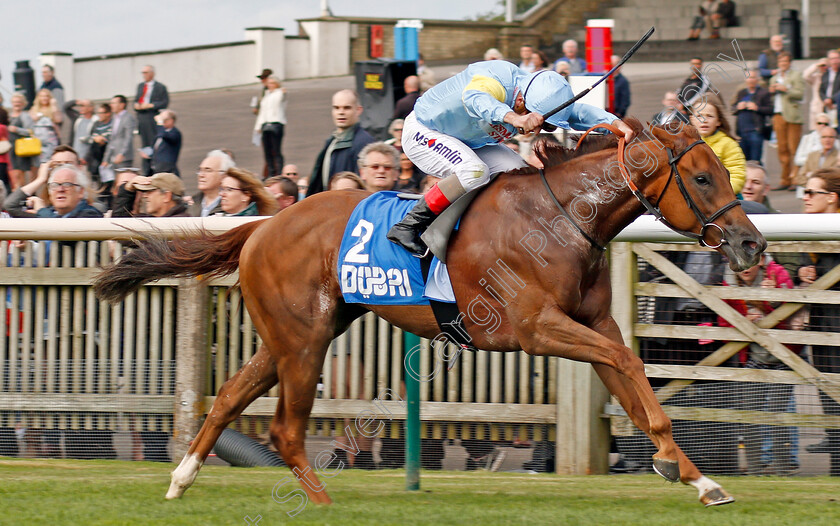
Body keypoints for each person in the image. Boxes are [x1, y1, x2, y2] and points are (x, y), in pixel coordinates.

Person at [386, 61, 633, 255]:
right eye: (537, 120)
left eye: (544, 126)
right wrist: (515, 118)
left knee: (521, 173)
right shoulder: (496, 77)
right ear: (520, 100)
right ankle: (409, 226)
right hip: (423, 131)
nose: (536, 130)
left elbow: (578, 112)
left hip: (466, 141)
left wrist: (614, 123)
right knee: (474, 172)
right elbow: (476, 98)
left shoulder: (536, 96)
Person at [718, 250, 800, 475]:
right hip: (754, 357)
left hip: (784, 356)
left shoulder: (778, 274)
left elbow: (793, 312)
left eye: (749, 262)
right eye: (738, 262)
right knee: (750, 414)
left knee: (777, 413)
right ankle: (754, 469)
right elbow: (724, 324)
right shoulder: (728, 284)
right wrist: (743, 323)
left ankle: (783, 469)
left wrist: (770, 301)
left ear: (761, 261)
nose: (744, 268)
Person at [798, 168, 840, 474]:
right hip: (821, 321)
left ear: (832, 198)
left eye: (812, 193)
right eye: (805, 192)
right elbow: (799, 260)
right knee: (825, 384)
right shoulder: (805, 228)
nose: (806, 198)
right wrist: (803, 270)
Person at [306, 90, 376, 195]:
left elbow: (364, 185)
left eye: (347, 108)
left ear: (358, 110)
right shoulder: (332, 140)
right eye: (336, 108)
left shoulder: (364, 142)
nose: (341, 112)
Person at [688, 95, 746, 193]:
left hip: (724, 199)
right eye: (699, 116)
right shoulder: (686, 145)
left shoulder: (728, 144)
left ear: (718, 121)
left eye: (710, 116)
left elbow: (737, 175)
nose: (704, 120)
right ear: (692, 119)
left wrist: (720, 193)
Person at [768, 52, 805, 191]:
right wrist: (772, 90)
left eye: (785, 62)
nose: (783, 64)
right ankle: (785, 179)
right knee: (782, 149)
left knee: (794, 148)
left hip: (793, 116)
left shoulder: (796, 75)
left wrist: (786, 89)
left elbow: (800, 93)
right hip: (778, 115)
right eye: (781, 62)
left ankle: (796, 179)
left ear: (789, 63)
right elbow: (770, 95)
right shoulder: (774, 78)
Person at [134, 65, 169, 176]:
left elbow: (164, 102)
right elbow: (136, 100)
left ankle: (156, 167)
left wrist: (150, 105)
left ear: (152, 73)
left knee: (154, 142)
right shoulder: (140, 86)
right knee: (145, 144)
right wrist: (137, 105)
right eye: (143, 72)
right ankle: (146, 170)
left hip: (152, 117)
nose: (144, 75)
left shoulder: (160, 87)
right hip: (142, 118)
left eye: (146, 72)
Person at [731, 69, 772, 161]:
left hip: (756, 131)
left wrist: (757, 108)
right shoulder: (741, 92)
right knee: (743, 161)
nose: (751, 80)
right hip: (741, 132)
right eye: (748, 77)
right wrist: (738, 107)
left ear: (757, 79)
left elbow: (770, 109)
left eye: (753, 77)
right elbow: (732, 109)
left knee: (755, 161)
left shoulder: (763, 93)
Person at [112, 172, 190, 218]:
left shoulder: (183, 225)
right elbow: (118, 225)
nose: (145, 196)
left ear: (167, 196)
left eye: (150, 191)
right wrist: (127, 190)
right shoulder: (152, 221)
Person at [254, 75, 287, 178]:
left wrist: (282, 91)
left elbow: (281, 99)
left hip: (276, 123)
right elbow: (262, 112)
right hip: (265, 124)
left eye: (272, 83)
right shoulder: (266, 95)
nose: (270, 85)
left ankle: (279, 172)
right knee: (267, 151)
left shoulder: (279, 93)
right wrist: (258, 126)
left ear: (276, 84)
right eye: (269, 83)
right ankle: (271, 173)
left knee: (276, 150)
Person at [102, 95, 138, 179]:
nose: (111, 105)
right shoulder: (114, 119)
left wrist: (122, 153)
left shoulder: (128, 118)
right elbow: (112, 140)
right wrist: (106, 159)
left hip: (123, 158)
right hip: (113, 157)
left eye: (114, 103)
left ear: (122, 105)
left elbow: (128, 137)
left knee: (123, 180)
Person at [188, 150, 233, 217]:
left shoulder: (231, 206)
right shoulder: (192, 204)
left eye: (208, 170)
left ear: (223, 175)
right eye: (200, 170)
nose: (201, 175)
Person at [6, 93, 37, 189]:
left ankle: (23, 193)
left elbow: (31, 131)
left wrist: (17, 130)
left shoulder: (25, 116)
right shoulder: (8, 116)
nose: (17, 104)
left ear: (23, 103)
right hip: (10, 147)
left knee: (20, 173)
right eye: (15, 102)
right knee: (14, 174)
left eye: (19, 102)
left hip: (21, 147)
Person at [144, 110, 181, 176]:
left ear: (171, 120)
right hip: (155, 168)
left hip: (167, 169)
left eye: (165, 120)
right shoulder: (160, 133)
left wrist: (159, 121)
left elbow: (164, 134)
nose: (163, 122)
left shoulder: (175, 133)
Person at [29, 89, 62, 162]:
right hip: (37, 140)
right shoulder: (34, 109)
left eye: (47, 96)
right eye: (42, 96)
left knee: (51, 160)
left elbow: (58, 120)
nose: (44, 98)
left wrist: (54, 106)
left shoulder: (53, 108)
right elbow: (32, 119)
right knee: (38, 163)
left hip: (51, 140)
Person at [85, 104, 113, 180]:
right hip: (95, 155)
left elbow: (111, 139)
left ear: (108, 113)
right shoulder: (96, 124)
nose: (99, 115)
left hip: (107, 154)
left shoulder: (113, 124)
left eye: (101, 113)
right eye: (98, 113)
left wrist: (101, 139)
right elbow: (91, 137)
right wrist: (97, 138)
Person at [803, 57, 830, 130]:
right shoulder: (816, 77)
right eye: (822, 66)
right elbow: (805, 75)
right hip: (817, 106)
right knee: (816, 129)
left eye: (826, 65)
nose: (824, 67)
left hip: (828, 105)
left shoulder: (832, 77)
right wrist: (816, 65)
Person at [819, 50, 840, 119]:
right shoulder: (826, 74)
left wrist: (831, 99)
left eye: (837, 58)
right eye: (832, 59)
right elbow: (821, 90)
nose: (835, 61)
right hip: (827, 106)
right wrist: (825, 99)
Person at [611, 55, 631, 119]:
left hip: (617, 115)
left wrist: (619, 112)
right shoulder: (605, 78)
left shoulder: (623, 81)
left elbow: (625, 99)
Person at [0, 113, 10, 193]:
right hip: (3, 160)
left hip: (1, 160)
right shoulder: (3, 127)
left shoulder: (2, 127)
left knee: (3, 182)